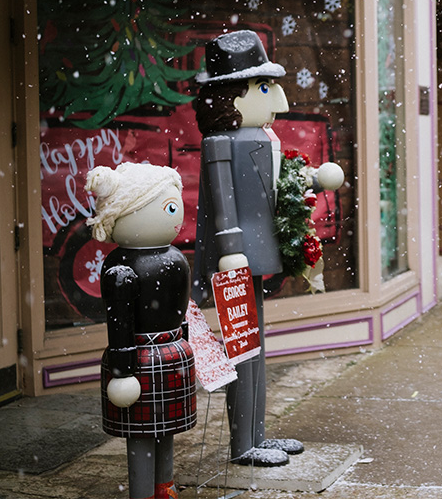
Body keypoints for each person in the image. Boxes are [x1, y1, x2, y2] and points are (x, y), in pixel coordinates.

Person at [192, 30, 302, 467]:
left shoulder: (264, 140)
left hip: (260, 250)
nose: (278, 100)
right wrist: (230, 247)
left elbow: (275, 190)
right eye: (263, 87)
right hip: (236, 255)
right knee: (242, 344)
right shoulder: (220, 145)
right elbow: (220, 203)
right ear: (231, 97)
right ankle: (244, 444)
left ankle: (257, 434)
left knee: (255, 343)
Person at [85, 162, 194, 499]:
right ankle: (143, 492)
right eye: (168, 206)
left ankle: (164, 485)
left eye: (175, 205)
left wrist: (188, 341)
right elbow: (119, 320)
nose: (175, 216)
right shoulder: (120, 268)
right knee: (142, 434)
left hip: (172, 350)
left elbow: (181, 310)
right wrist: (122, 369)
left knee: (167, 430)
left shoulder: (175, 258)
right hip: (137, 358)